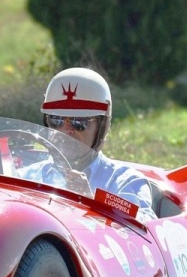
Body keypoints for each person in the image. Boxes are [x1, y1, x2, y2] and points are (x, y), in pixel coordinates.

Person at [34, 67, 156, 222]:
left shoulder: (125, 181)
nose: (66, 130)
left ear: (101, 127)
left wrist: (90, 202)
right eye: (56, 120)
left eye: (79, 122)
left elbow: (145, 226)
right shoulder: (28, 175)